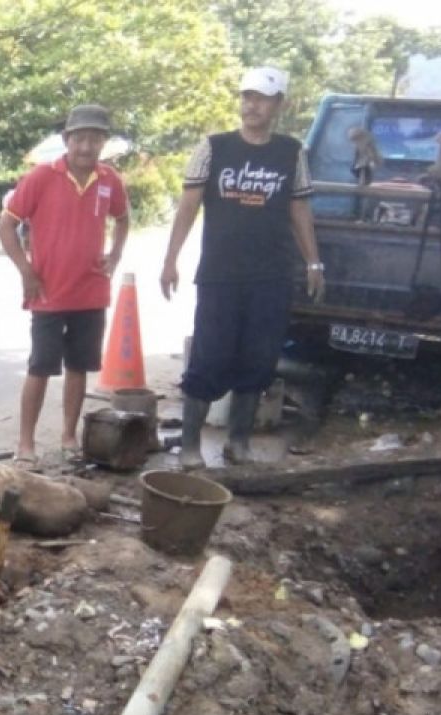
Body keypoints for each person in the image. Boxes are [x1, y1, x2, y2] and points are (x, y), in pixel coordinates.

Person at [161, 66, 325, 469]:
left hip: (271, 276)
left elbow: (299, 208)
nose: (251, 105)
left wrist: (313, 261)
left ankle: (239, 442)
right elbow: (188, 206)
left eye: (262, 98)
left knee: (259, 358)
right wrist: (170, 259)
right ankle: (189, 445)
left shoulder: (291, 152)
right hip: (220, 275)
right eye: (247, 96)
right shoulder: (214, 147)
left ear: (278, 104)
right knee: (209, 355)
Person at [0, 104, 130, 467]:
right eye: (80, 138)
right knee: (40, 366)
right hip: (47, 294)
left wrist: (114, 255)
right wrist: (26, 271)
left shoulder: (109, 180)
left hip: (91, 291)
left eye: (95, 139)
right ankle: (26, 442)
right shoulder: (41, 176)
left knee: (79, 366)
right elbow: (5, 225)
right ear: (67, 140)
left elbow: (123, 218)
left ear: (104, 142)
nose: (86, 147)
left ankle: (69, 436)